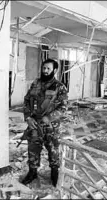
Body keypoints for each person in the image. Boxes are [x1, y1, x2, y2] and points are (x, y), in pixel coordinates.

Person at [21, 59, 68, 187]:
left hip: (51, 126)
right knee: (33, 149)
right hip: (34, 124)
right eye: (44, 68)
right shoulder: (35, 84)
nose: (45, 71)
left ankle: (54, 173)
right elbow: (26, 101)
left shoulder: (60, 87)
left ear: (54, 70)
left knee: (53, 150)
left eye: (48, 68)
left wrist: (49, 118)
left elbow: (63, 108)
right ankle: (32, 172)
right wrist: (28, 118)